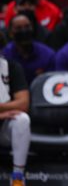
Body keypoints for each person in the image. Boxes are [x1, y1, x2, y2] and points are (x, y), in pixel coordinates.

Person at [0, 32, 30, 186]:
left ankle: (18, 177)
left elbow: (23, 103)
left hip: (5, 126)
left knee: (22, 119)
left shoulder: (11, 66)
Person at [4, 14, 55, 85]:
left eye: (27, 27)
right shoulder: (4, 55)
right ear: (10, 33)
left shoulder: (48, 54)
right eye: (18, 28)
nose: (24, 31)